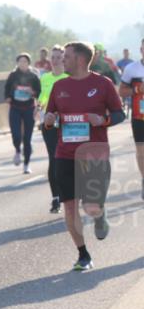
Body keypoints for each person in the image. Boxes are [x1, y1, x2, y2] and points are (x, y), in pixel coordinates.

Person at [43, 41, 125, 271]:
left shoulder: (103, 84)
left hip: (94, 154)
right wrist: (48, 121)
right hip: (65, 154)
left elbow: (119, 114)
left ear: (79, 59)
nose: (62, 60)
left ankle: (99, 215)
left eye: (66, 57)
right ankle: (83, 254)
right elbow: (50, 117)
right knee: (70, 207)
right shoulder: (59, 87)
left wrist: (103, 120)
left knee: (92, 207)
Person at [37, 46, 68, 213]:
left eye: (59, 57)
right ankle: (56, 197)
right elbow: (42, 96)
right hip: (49, 123)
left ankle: (69, 193)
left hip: (67, 124)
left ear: (64, 59)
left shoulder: (69, 78)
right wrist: (39, 105)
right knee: (53, 158)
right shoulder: (45, 78)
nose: (55, 60)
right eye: (53, 57)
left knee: (67, 159)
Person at [4, 53, 42, 174]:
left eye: (25, 61)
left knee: (27, 138)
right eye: (20, 61)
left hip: (29, 108)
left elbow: (39, 92)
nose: (22, 64)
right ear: (17, 63)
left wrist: (33, 92)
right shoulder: (13, 75)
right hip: (15, 107)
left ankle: (26, 165)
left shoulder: (33, 76)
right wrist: (8, 97)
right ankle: (17, 150)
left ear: (28, 63)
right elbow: (7, 88)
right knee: (16, 134)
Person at [118, 38, 144, 200]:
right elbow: (122, 91)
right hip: (139, 117)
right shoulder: (131, 69)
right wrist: (137, 89)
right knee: (141, 152)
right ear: (141, 49)